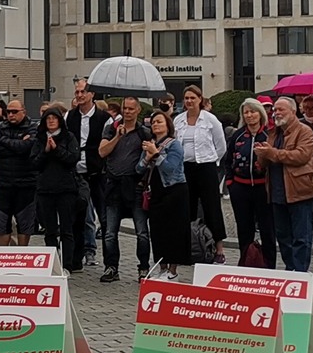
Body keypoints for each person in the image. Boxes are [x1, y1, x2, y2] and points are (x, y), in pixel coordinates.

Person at [258, 96, 313, 273]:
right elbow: (268, 159)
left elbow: (301, 156)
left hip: (299, 190)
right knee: (283, 236)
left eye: (281, 110)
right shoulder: (273, 132)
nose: (276, 113)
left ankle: (300, 273)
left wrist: (272, 153)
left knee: (301, 237)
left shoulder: (304, 131)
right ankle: (290, 268)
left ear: (293, 112)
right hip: (277, 191)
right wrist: (261, 155)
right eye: (275, 110)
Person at [96, 95, 150, 282]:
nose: (127, 112)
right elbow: (102, 151)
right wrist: (117, 137)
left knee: (142, 232)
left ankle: (143, 268)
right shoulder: (111, 129)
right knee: (110, 232)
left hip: (135, 186)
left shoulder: (144, 131)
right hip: (113, 185)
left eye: (130, 108)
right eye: (124, 108)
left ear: (138, 110)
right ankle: (111, 267)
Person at [175, 85, 227, 259]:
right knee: (186, 208)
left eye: (193, 98)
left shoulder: (210, 120)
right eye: (187, 98)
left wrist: (212, 160)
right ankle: (188, 246)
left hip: (206, 167)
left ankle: (219, 248)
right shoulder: (179, 120)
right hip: (185, 168)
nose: (189, 101)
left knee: (211, 207)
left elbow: (221, 145)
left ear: (200, 99)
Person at [33, 104, 85, 270]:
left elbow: (72, 158)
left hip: (65, 189)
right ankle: (52, 265)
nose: (51, 121)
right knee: (49, 231)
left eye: (54, 118)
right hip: (45, 189)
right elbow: (34, 163)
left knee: (67, 229)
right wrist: (46, 151)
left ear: (60, 121)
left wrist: (56, 150)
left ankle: (67, 265)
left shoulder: (69, 137)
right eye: (48, 119)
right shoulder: (39, 138)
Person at [224, 99, 275, 265]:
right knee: (244, 229)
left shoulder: (269, 135)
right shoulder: (237, 135)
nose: (250, 115)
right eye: (246, 112)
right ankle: (245, 263)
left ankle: (268, 264)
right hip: (241, 188)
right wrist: (231, 184)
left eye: (253, 111)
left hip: (263, 188)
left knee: (267, 229)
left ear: (260, 113)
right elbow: (228, 161)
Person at [141, 109, 190, 280]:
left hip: (174, 191)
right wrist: (146, 158)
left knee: (174, 231)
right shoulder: (150, 142)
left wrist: (156, 154)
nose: (156, 125)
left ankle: (172, 271)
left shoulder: (174, 144)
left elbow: (170, 168)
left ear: (168, 125)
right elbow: (139, 168)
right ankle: (161, 268)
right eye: (153, 122)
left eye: (159, 122)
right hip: (156, 192)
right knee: (157, 231)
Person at [67, 79, 107, 270]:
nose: (80, 95)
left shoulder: (104, 117)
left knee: (104, 217)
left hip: (97, 172)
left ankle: (109, 261)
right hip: (76, 171)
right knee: (77, 216)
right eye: (77, 92)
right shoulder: (70, 116)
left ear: (92, 94)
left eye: (83, 92)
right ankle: (76, 258)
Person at [0, 98, 38, 245]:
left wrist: (5, 141)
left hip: (26, 184)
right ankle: (3, 261)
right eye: (8, 111)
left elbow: (28, 148)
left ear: (24, 112)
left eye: (14, 112)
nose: (11, 115)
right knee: (1, 226)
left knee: (24, 226)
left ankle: (21, 258)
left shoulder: (33, 127)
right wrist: (19, 144)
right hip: (4, 184)